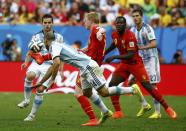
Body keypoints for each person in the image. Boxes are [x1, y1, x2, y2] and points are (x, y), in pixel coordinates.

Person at [32, 29, 146, 125]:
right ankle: (103, 113)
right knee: (86, 93)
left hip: (89, 67)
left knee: (104, 92)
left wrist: (52, 80)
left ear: (46, 40)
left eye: (43, 42)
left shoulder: (53, 46)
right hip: (84, 69)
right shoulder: (59, 45)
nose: (44, 44)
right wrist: (42, 59)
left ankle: (133, 89)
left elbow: (56, 63)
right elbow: (53, 59)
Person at [104, 16, 177, 120]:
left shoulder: (130, 35)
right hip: (124, 64)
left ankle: (167, 108)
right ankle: (118, 112)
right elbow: (115, 43)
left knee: (148, 86)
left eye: (121, 23)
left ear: (125, 25)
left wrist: (114, 56)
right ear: (115, 24)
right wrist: (105, 53)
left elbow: (130, 54)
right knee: (112, 84)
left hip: (135, 63)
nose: (119, 25)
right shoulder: (114, 34)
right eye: (117, 23)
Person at [17, 14, 64, 121]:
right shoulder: (36, 36)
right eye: (45, 23)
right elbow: (31, 50)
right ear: (42, 23)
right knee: (30, 75)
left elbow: (62, 55)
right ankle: (26, 100)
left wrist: (61, 70)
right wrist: (25, 62)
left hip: (51, 66)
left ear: (52, 23)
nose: (47, 25)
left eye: (49, 22)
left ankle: (32, 115)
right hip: (38, 62)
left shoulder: (59, 37)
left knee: (40, 89)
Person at [130, 8, 162, 118]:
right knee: (131, 82)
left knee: (153, 85)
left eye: (137, 16)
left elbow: (154, 43)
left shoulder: (147, 28)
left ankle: (157, 113)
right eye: (133, 16)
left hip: (151, 59)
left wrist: (141, 47)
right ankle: (144, 104)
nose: (135, 18)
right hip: (139, 60)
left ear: (141, 16)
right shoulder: (132, 30)